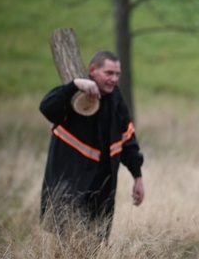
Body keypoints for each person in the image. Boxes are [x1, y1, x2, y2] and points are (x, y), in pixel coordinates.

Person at [39, 50, 144, 244]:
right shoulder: (74, 96)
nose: (114, 79)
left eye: (117, 74)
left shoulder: (116, 99)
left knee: (95, 246)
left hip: (102, 190)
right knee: (66, 246)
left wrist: (137, 176)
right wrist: (75, 85)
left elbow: (128, 140)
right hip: (70, 185)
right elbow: (46, 106)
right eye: (109, 73)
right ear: (93, 70)